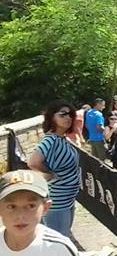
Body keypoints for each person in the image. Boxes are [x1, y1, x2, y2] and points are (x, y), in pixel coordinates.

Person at [28, 101, 82, 239]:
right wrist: (49, 174)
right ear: (52, 117)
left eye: (70, 115)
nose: (68, 118)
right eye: (62, 114)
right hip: (58, 201)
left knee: (62, 237)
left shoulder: (61, 139)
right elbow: (33, 162)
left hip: (67, 199)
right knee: (57, 240)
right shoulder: (51, 140)